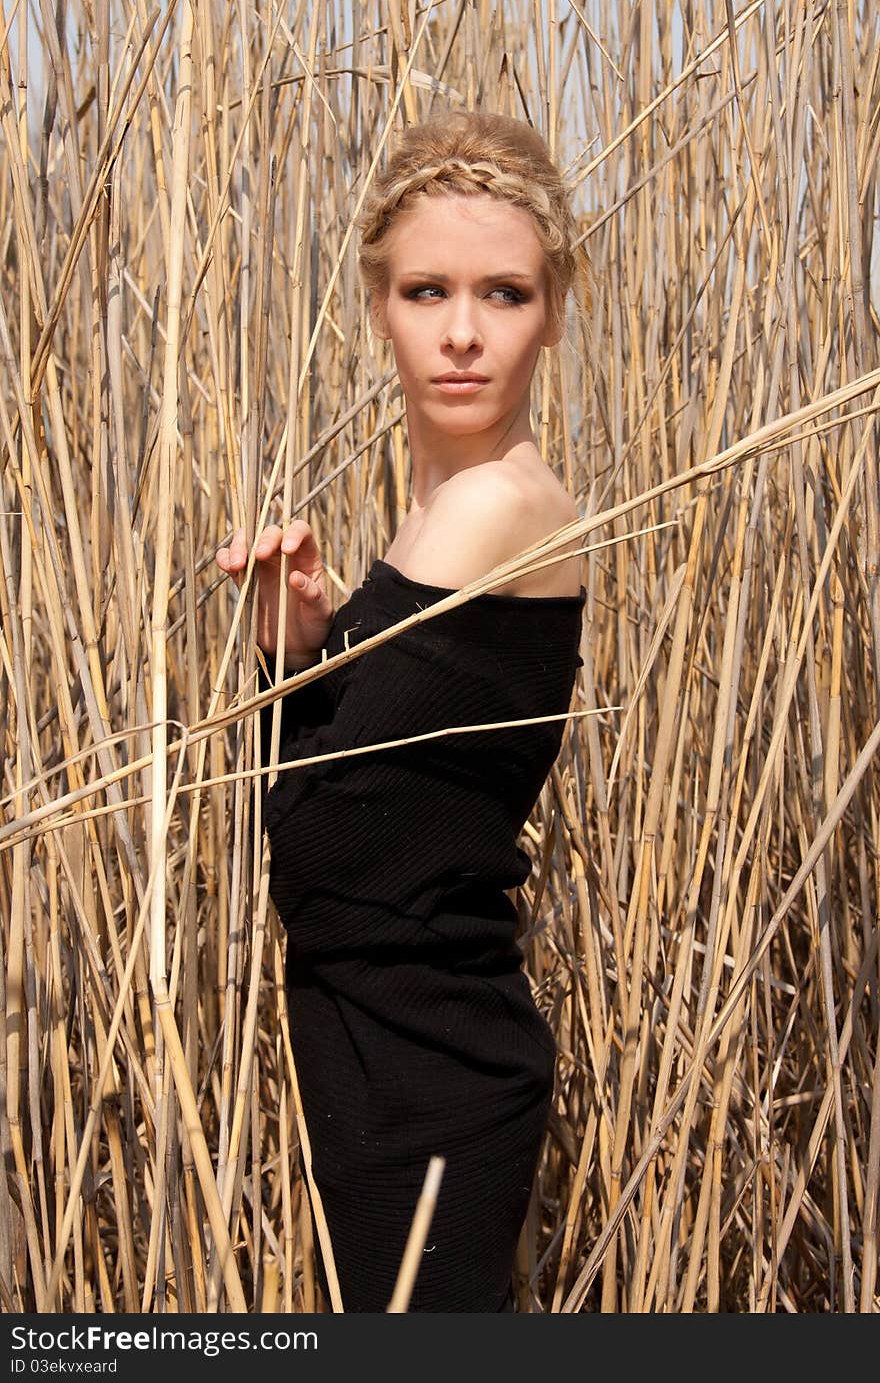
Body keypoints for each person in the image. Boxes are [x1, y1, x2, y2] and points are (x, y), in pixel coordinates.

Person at [216, 110, 587, 1312]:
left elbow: (325, 840)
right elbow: (348, 810)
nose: (464, 333)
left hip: (433, 1074)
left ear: (556, 307)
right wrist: (306, 650)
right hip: (387, 1052)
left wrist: (309, 688)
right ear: (378, 304)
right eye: (427, 290)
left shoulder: (494, 514)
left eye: (506, 293)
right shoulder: (432, 523)